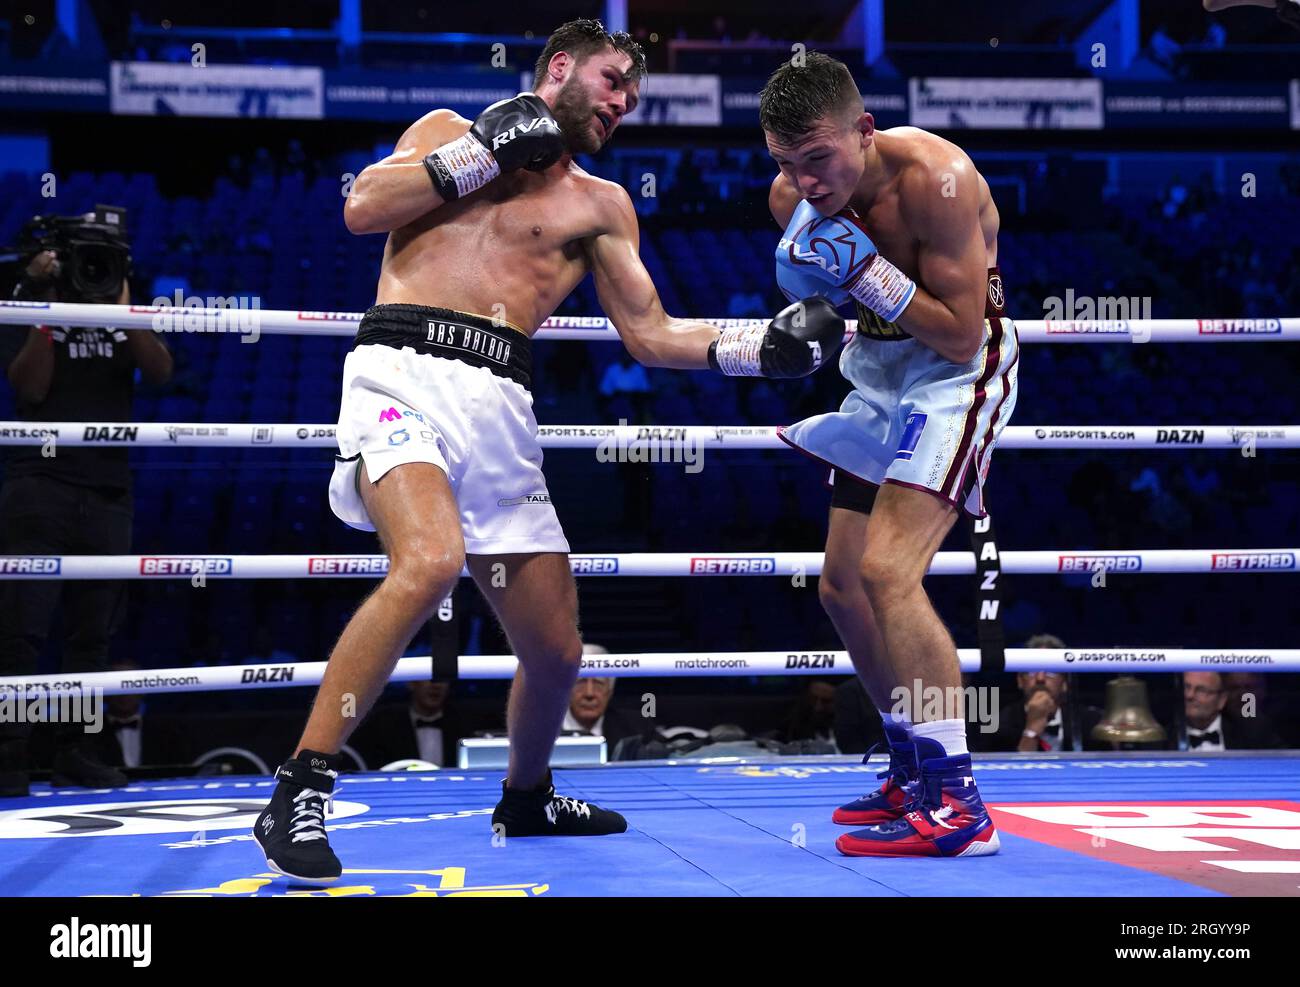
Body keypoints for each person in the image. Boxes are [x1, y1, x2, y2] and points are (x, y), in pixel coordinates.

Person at [252, 18, 845, 883]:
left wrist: (765, 346)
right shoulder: (448, 132)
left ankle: (527, 792)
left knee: (558, 648)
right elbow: (359, 208)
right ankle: (300, 786)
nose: (621, 104)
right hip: (401, 371)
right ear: (559, 69)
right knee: (428, 563)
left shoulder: (601, 205)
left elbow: (652, 333)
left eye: (633, 97)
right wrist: (481, 155)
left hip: (502, 400)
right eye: (611, 83)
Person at [761, 52, 1018, 857]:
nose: (804, 183)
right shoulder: (789, 200)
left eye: (818, 159)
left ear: (863, 131)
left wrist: (868, 274)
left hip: (954, 372)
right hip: (875, 372)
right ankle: (911, 766)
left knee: (887, 571)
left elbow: (959, 331)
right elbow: (836, 305)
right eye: (785, 163)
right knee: (842, 586)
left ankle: (958, 802)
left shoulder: (937, 180)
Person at [0, 236, 173, 798]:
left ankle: (75, 750)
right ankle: (10, 756)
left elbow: (160, 370)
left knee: (91, 635)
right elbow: (30, 386)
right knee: (22, 632)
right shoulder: (23, 301)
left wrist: (122, 306)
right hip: (39, 484)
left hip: (106, 489)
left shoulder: (118, 307)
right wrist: (47, 305)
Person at [1183, 671, 1283, 751]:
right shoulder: (1168, 735)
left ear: (1221, 700)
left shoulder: (1253, 732)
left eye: (1201, 690)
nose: (1189, 695)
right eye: (1186, 688)